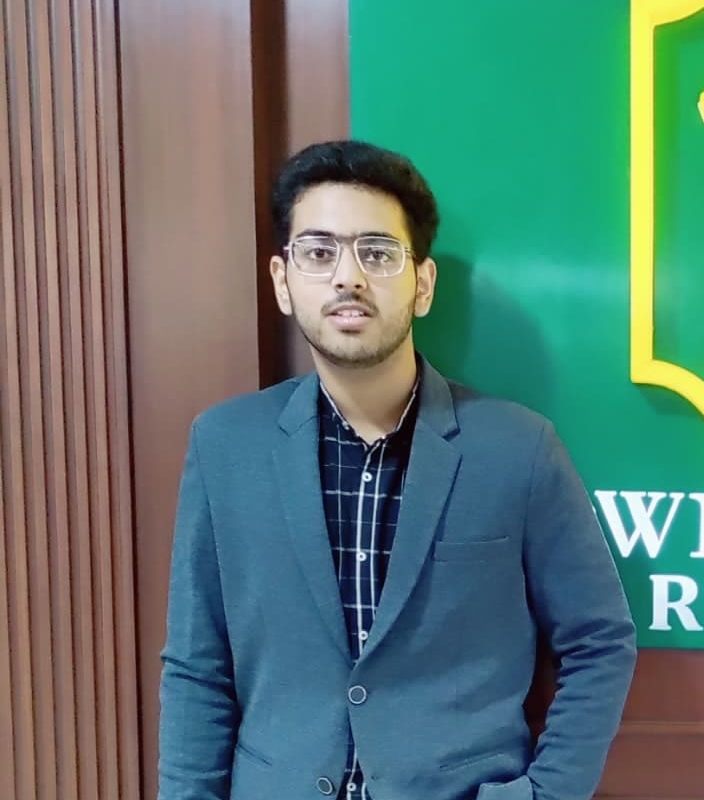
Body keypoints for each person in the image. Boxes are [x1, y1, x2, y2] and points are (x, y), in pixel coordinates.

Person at [158, 140, 637, 800]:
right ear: (282, 281)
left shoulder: (517, 448)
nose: (348, 277)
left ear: (423, 284)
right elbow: (196, 667)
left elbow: (600, 641)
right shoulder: (226, 447)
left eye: (378, 253)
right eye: (318, 252)